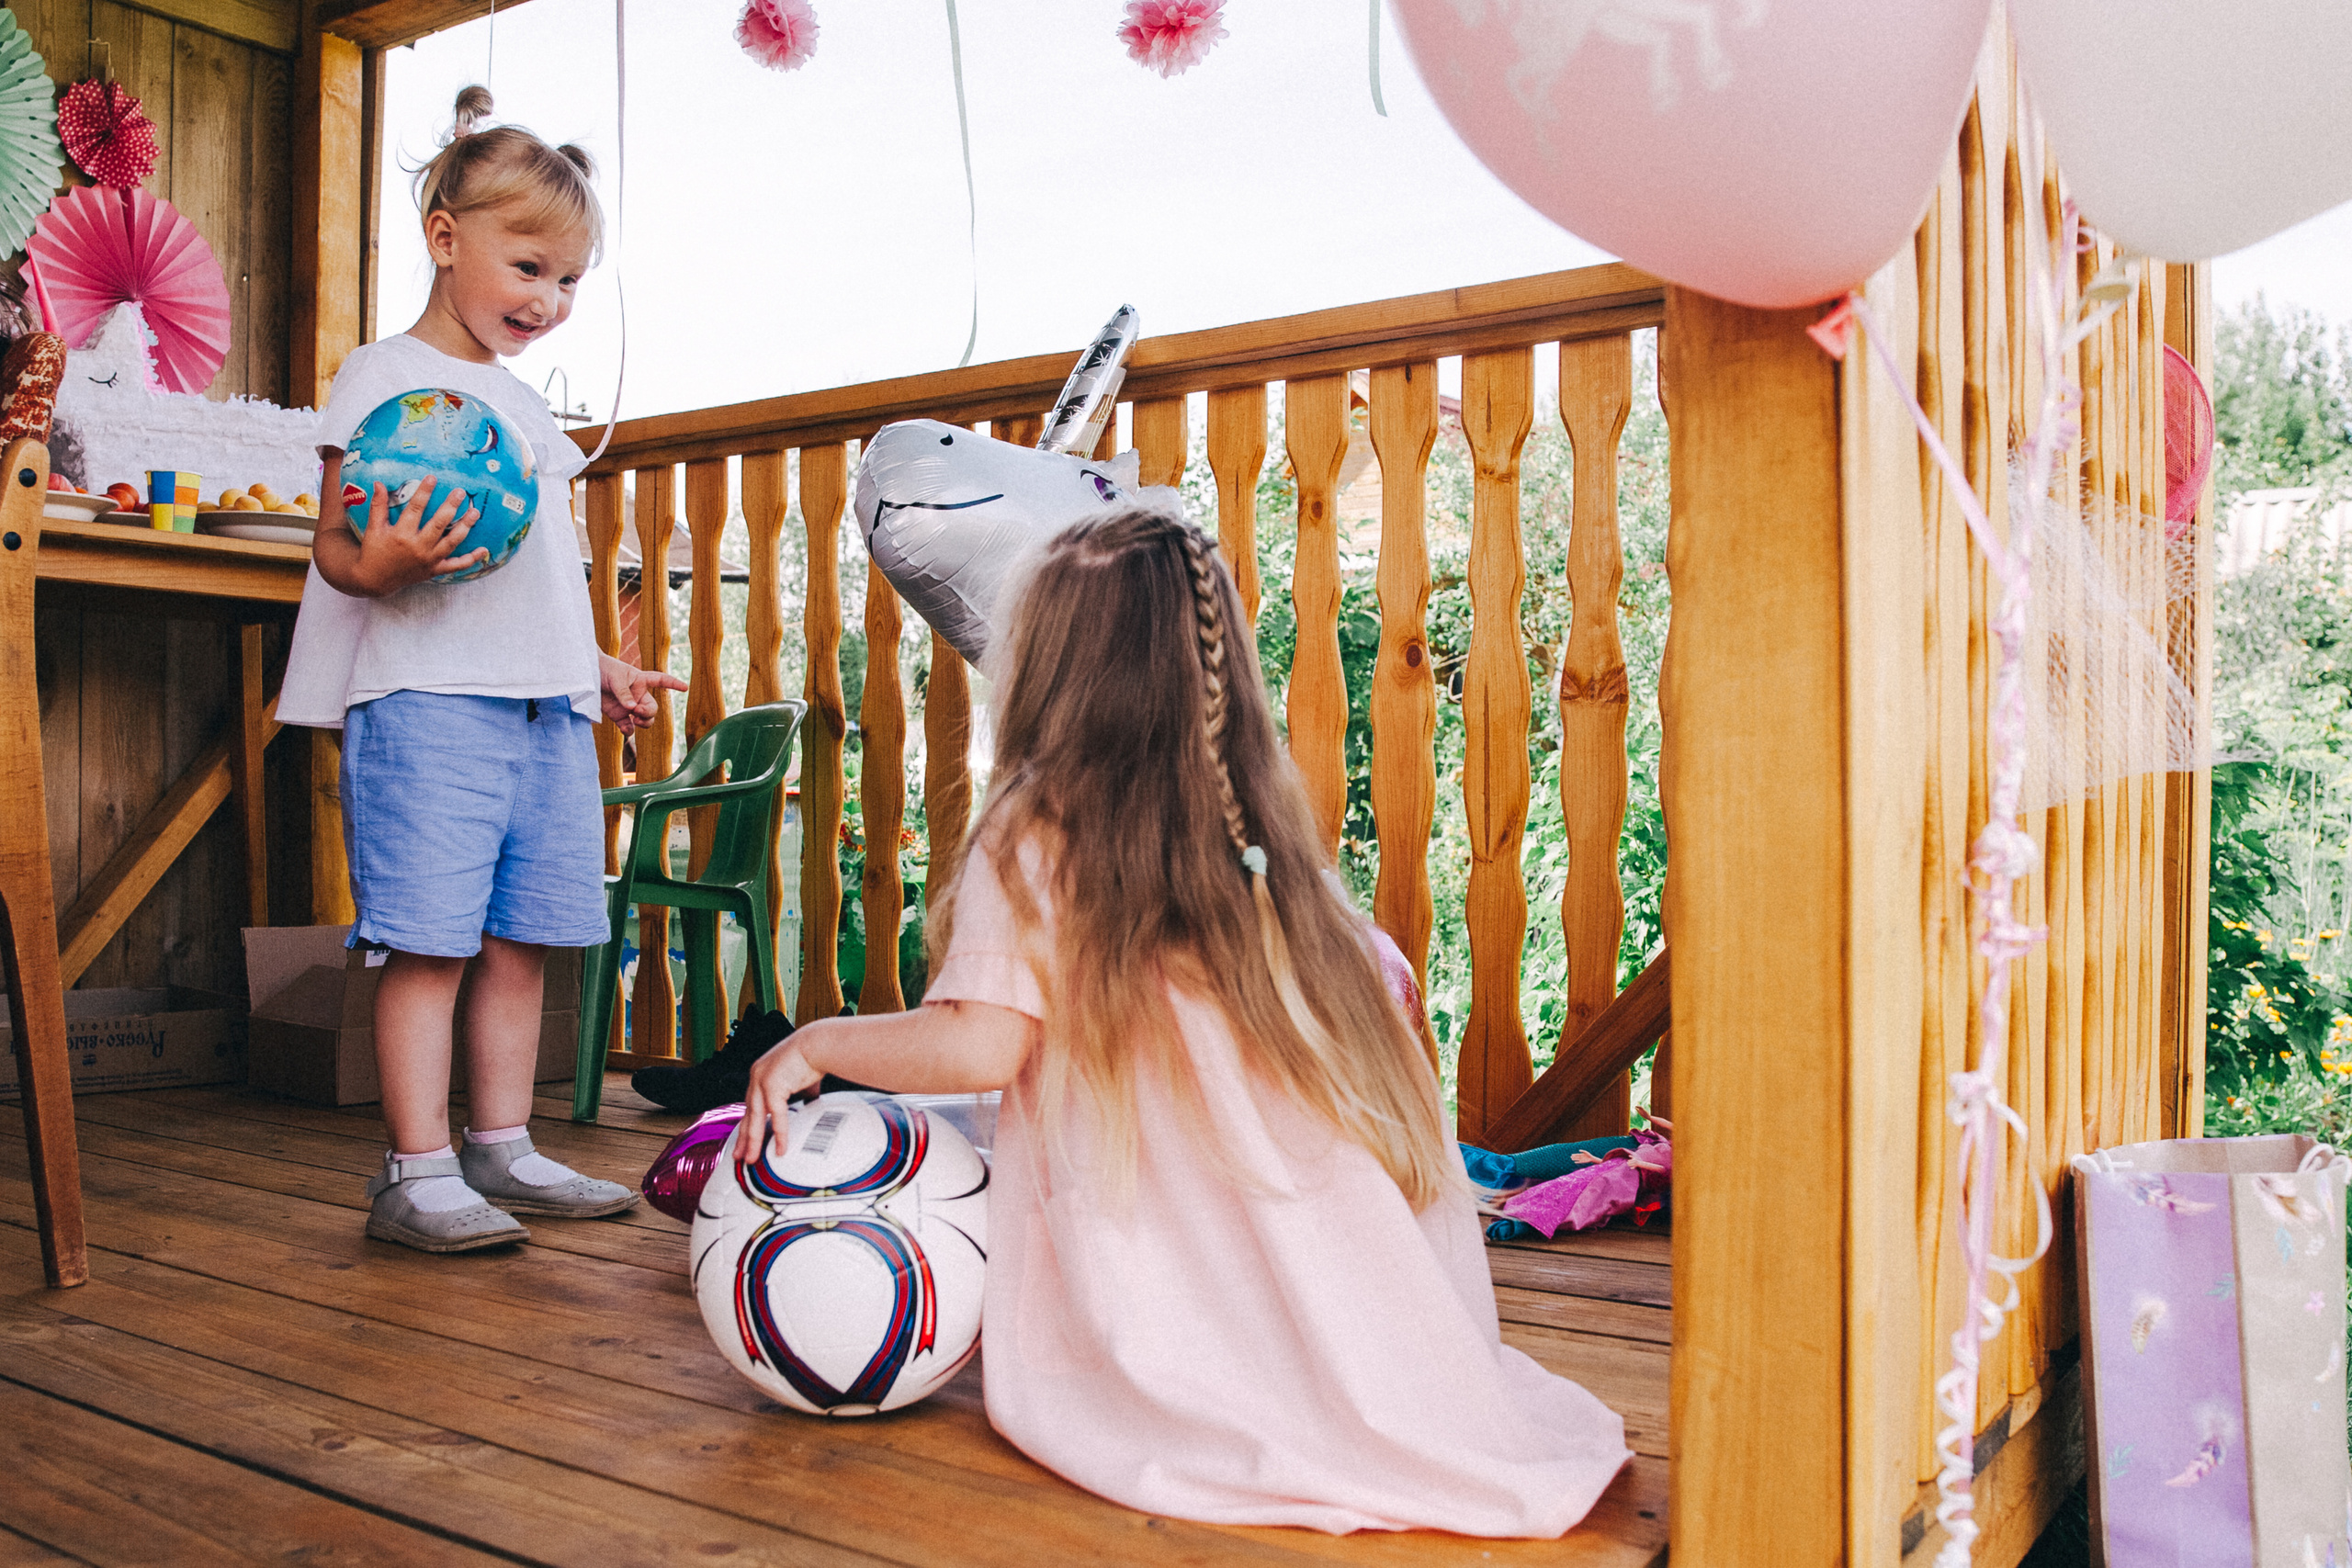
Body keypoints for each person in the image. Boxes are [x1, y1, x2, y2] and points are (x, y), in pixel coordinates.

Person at [741, 508, 1632, 1536]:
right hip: (1336, 1257)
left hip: (1181, 1253)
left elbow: (981, 1045)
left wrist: (816, 1043)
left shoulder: (1037, 821)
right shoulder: (1252, 809)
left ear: (1050, 668)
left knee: (1188, 1384)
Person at [279, 85, 683, 1255]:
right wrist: (382, 557)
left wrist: (593, 662)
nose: (546, 301)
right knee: (432, 940)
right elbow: (336, 551)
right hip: (427, 704)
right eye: (527, 266)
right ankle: (415, 1169)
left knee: (521, 942)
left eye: (566, 281)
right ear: (445, 239)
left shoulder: (522, 406)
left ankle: (502, 1145)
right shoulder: (383, 374)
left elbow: (536, 575)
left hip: (541, 711)